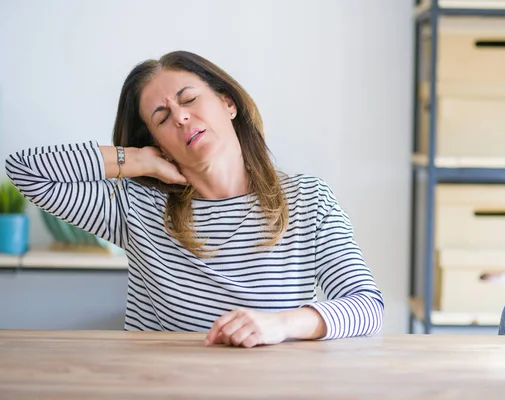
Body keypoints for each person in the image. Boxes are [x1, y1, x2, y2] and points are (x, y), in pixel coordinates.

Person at [5, 50, 384, 348]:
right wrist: (134, 158)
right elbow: (25, 170)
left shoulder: (308, 200)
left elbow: (367, 306)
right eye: (162, 118)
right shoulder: (135, 208)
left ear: (228, 103)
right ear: (157, 142)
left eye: (188, 100)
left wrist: (282, 324)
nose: (181, 118)